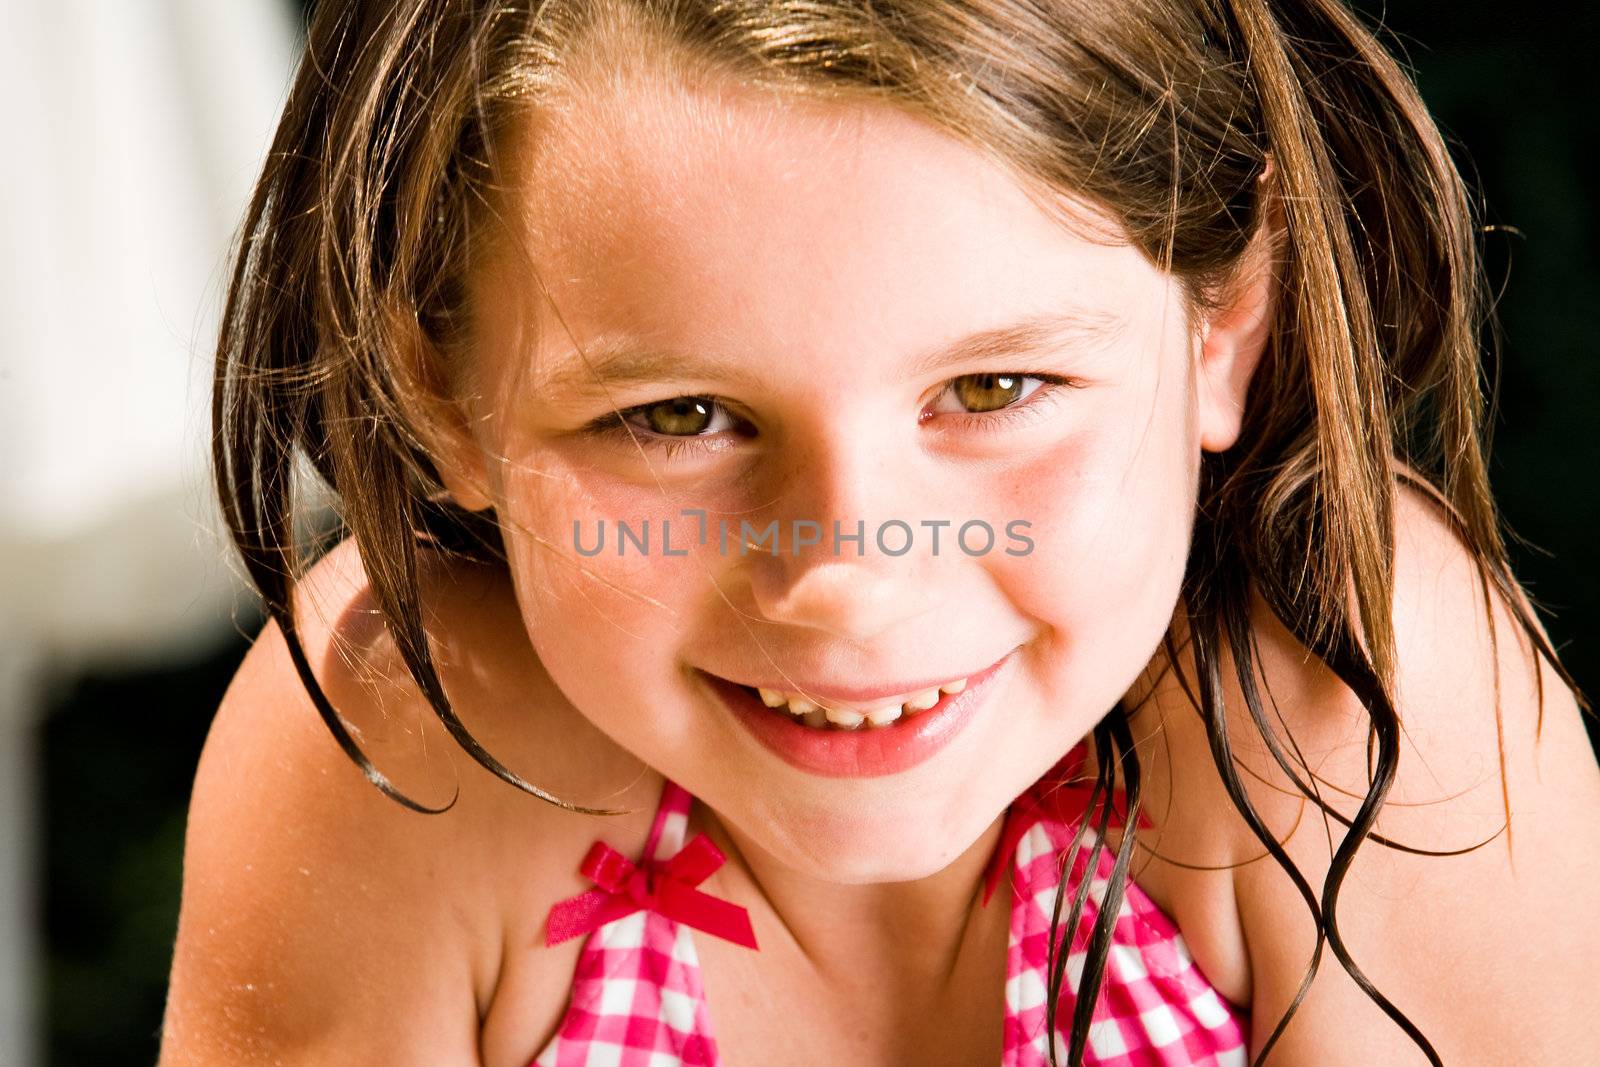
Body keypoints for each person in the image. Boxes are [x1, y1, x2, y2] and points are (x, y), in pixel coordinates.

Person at [158, 1, 1600, 1064]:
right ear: (443, 394)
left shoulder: (1343, 698)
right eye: (675, 418)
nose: (848, 580)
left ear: (1226, 322)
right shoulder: (409, 745)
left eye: (995, 390)